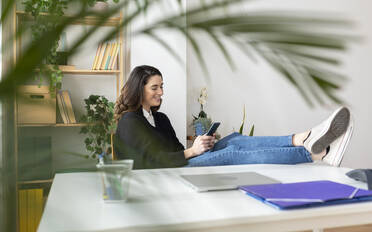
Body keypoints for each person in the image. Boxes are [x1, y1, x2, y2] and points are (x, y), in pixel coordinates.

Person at [114, 65, 353, 169]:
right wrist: (191, 152)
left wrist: (201, 145)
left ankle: (302, 137)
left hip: (180, 162)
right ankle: (315, 152)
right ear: (139, 88)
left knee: (234, 139)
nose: (161, 92)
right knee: (231, 153)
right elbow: (151, 162)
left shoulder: (161, 118)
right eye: (155, 87)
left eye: (162, 86)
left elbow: (175, 149)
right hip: (164, 172)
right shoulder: (130, 122)